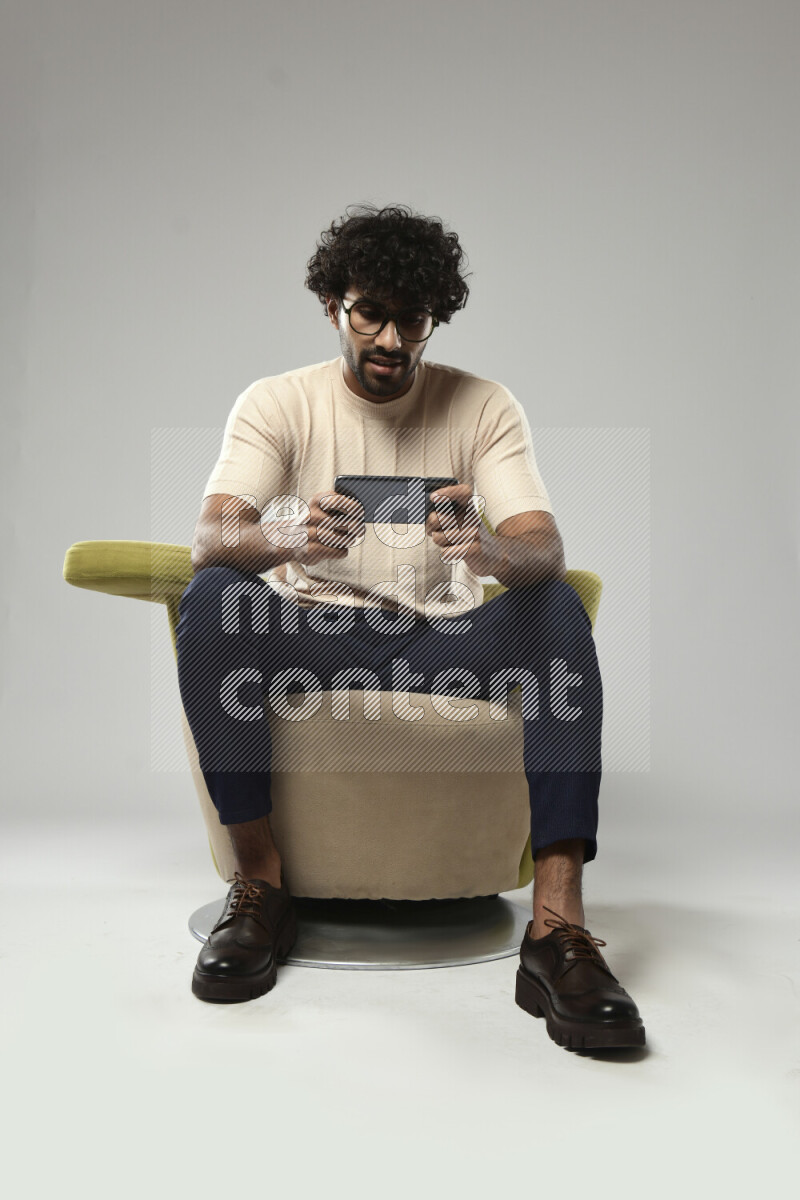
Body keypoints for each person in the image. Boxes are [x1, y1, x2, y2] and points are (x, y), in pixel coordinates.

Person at [176, 203, 645, 1049]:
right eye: (371, 314)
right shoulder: (278, 402)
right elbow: (212, 537)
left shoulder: (483, 405)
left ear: (435, 319)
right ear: (334, 307)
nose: (392, 339)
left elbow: (544, 548)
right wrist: (289, 534)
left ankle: (557, 929)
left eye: (413, 319)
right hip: (313, 635)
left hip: (440, 640)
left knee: (556, 603)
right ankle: (260, 886)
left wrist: (487, 550)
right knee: (212, 596)